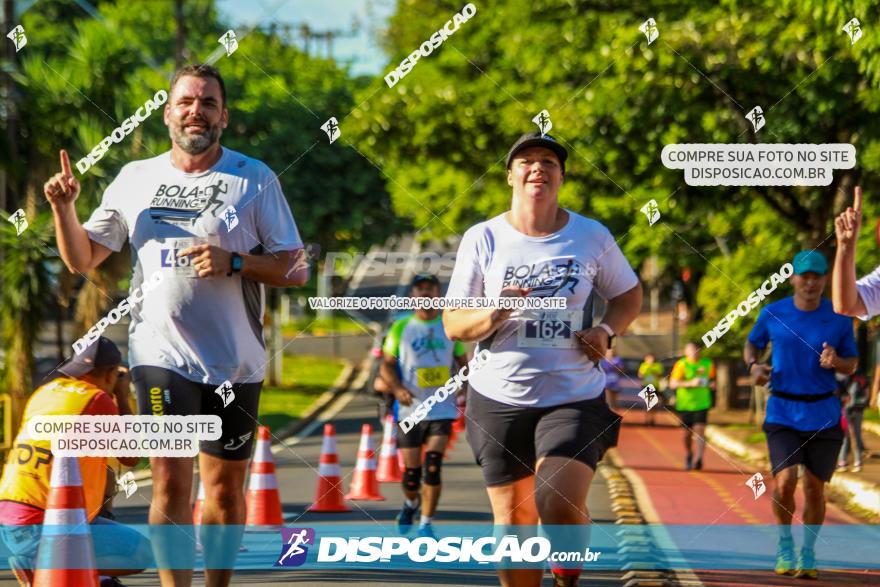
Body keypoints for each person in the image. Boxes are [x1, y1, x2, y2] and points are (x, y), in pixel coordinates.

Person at [42, 64, 309, 587]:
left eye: (208, 103)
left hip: (236, 361)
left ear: (223, 117)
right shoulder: (135, 178)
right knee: (168, 482)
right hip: (159, 355)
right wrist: (64, 210)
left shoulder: (253, 177)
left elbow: (296, 266)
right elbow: (81, 259)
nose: (196, 111)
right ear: (168, 114)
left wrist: (236, 262)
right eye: (186, 101)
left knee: (226, 489)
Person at [443, 131, 643, 587]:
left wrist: (607, 331)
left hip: (572, 393)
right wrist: (496, 311)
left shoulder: (591, 235)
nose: (538, 168)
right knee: (513, 524)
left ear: (561, 177)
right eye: (528, 161)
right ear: (510, 175)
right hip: (497, 396)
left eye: (549, 162)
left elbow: (629, 294)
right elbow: (454, 325)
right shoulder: (483, 237)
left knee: (556, 499)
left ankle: (566, 573)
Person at [0, 337, 152, 587]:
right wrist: (122, 397)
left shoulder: (44, 393)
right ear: (112, 373)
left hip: (10, 518)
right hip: (44, 524)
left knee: (106, 475)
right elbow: (130, 456)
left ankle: (82, 574)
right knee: (142, 554)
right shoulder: (97, 400)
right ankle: (45, 567)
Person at [744, 249, 857, 579]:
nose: (810, 282)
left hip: (823, 412)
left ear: (824, 279)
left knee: (813, 488)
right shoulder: (773, 312)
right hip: (782, 410)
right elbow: (752, 344)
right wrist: (754, 366)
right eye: (804, 276)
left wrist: (837, 361)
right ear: (792, 278)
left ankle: (807, 550)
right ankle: (784, 544)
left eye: (817, 276)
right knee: (784, 483)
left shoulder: (838, 318)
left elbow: (852, 363)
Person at [379, 273, 469, 537]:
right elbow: (386, 364)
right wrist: (397, 389)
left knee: (432, 466)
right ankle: (411, 503)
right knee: (411, 474)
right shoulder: (401, 327)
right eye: (420, 291)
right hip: (410, 408)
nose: (426, 295)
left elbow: (463, 363)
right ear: (412, 296)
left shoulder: (449, 326)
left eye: (430, 290)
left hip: (442, 408)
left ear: (438, 295)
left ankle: (426, 523)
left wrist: (462, 384)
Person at [668, 342, 715, 470]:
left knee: (700, 429)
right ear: (686, 352)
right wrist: (690, 383)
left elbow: (712, 380)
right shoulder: (682, 364)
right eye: (690, 350)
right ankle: (689, 452)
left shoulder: (707, 364)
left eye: (696, 350)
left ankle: (698, 459)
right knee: (687, 434)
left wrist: (711, 384)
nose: (694, 352)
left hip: (702, 403)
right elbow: (672, 384)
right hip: (685, 404)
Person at [836, 371, 869, 472]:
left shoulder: (843, 376)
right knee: (856, 435)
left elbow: (838, 392)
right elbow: (867, 392)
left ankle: (843, 461)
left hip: (847, 409)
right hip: (859, 409)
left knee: (846, 435)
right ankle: (857, 461)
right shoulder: (862, 376)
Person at [638, 353, 665, 425]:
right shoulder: (644, 365)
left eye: (651, 358)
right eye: (648, 358)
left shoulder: (658, 366)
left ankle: (652, 419)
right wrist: (645, 371)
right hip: (646, 386)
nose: (650, 360)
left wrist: (654, 372)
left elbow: (660, 375)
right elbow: (640, 375)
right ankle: (647, 419)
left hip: (655, 386)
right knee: (649, 403)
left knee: (654, 404)